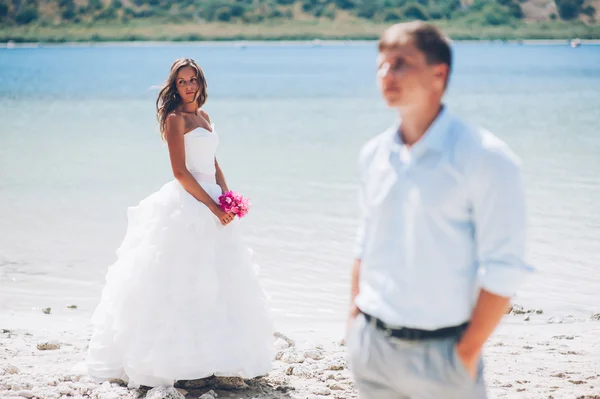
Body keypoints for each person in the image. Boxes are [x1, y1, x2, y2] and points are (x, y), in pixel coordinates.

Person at [346, 22, 533, 398]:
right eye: (382, 65)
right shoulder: (375, 154)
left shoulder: (485, 157)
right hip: (373, 348)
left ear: (439, 73)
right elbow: (366, 243)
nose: (386, 74)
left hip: (443, 355)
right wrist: (353, 324)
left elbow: (505, 266)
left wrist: (465, 352)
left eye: (400, 64)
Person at [86, 58, 274, 388]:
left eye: (193, 80)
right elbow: (180, 172)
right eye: (182, 81)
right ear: (174, 86)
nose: (188, 86)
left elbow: (213, 163)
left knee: (221, 282)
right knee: (187, 282)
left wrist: (227, 198)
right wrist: (213, 209)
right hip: (188, 203)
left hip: (214, 200)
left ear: (201, 83)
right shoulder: (174, 119)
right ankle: (183, 366)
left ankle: (220, 358)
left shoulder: (204, 115)